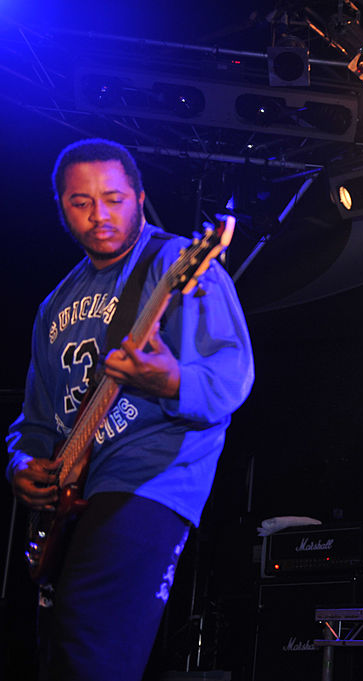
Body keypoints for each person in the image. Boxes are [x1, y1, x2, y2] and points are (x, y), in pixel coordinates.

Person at [5, 138, 254, 681]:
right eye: (81, 202)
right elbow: (37, 419)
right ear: (61, 208)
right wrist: (21, 464)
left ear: (141, 198)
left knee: (91, 647)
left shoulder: (180, 263)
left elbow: (231, 378)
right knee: (60, 655)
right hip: (74, 499)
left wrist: (170, 380)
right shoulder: (55, 304)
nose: (100, 215)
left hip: (152, 479)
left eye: (114, 198)